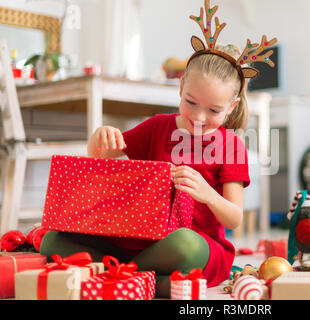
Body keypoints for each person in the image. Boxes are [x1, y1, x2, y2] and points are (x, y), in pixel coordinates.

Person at [40, 44, 252, 298]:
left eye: (214, 110)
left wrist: (208, 194)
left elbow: (234, 218)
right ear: (181, 87)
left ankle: (119, 276)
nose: (198, 116)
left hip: (195, 247)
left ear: (231, 106)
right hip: (141, 242)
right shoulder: (156, 128)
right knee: (52, 241)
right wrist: (100, 136)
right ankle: (148, 280)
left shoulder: (231, 145)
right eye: (191, 102)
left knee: (183, 242)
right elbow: (101, 156)